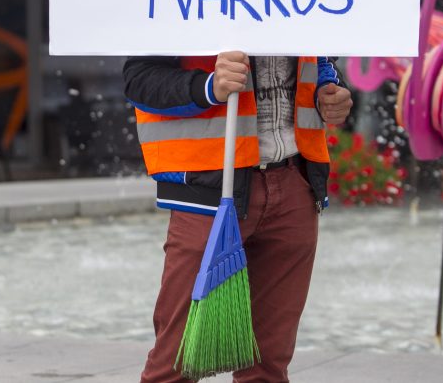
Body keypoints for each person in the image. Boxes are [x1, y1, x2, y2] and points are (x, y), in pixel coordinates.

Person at [124, 52, 352, 383]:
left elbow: (319, 64)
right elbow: (138, 80)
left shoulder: (300, 4)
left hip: (294, 181)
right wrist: (209, 87)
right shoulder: (178, 2)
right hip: (210, 191)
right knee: (175, 363)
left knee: (269, 367)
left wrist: (332, 89)